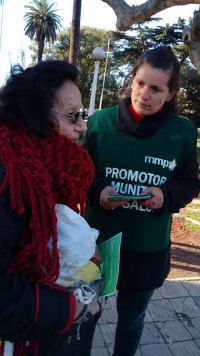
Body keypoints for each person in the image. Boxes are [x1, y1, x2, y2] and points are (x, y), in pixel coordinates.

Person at [81, 46, 200, 356]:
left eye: (157, 88)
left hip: (147, 249)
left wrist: (166, 195)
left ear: (171, 93)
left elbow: (190, 183)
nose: (145, 94)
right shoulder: (99, 124)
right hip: (97, 244)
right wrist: (98, 190)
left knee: (132, 319)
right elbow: (77, 173)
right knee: (85, 315)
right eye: (140, 83)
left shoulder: (183, 132)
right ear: (131, 80)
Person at [0, 60, 104, 356]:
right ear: (35, 117)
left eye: (82, 114)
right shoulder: (11, 176)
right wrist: (67, 309)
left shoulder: (46, 167)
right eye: (73, 116)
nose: (83, 126)